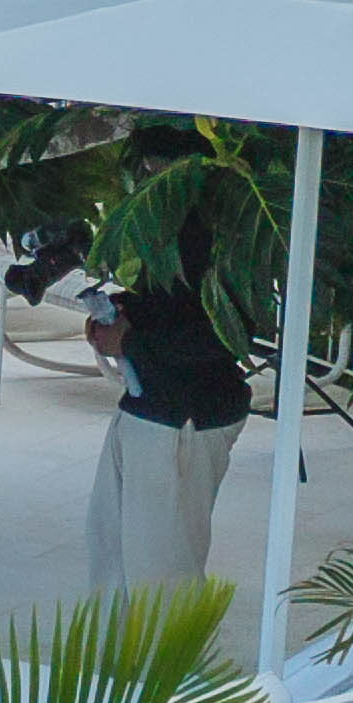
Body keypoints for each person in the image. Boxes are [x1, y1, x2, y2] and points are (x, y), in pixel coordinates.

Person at [83, 243, 255, 625]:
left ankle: (166, 683)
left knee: (162, 581)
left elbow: (228, 330)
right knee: (111, 560)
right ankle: (111, 679)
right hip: (146, 406)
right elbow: (176, 299)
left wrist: (129, 341)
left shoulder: (224, 223)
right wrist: (121, 314)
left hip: (185, 420)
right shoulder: (163, 211)